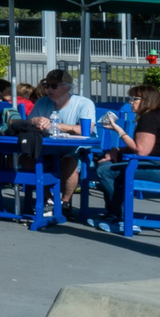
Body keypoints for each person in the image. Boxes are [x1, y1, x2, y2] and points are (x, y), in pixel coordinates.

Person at [14, 69, 98, 216]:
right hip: (47, 148)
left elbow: (87, 130)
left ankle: (65, 202)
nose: (49, 89)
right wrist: (34, 121)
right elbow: (27, 123)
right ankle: (49, 200)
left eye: (54, 86)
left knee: (69, 160)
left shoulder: (84, 103)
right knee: (26, 158)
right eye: (47, 85)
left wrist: (57, 126)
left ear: (67, 87)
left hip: (74, 149)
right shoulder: (42, 102)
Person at [99, 84, 160, 202]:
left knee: (104, 171)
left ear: (147, 101)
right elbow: (148, 147)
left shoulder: (149, 118)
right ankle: (115, 213)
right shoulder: (157, 116)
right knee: (105, 166)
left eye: (134, 99)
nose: (130, 102)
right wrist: (117, 150)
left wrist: (119, 130)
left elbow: (141, 151)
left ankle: (118, 215)